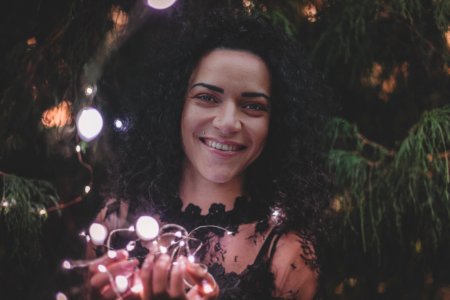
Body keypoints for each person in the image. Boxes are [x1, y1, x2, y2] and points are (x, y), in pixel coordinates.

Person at [86, 6, 331, 300]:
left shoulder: (287, 256)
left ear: (275, 123)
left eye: (253, 106)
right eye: (207, 98)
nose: (227, 123)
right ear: (177, 106)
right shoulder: (116, 224)